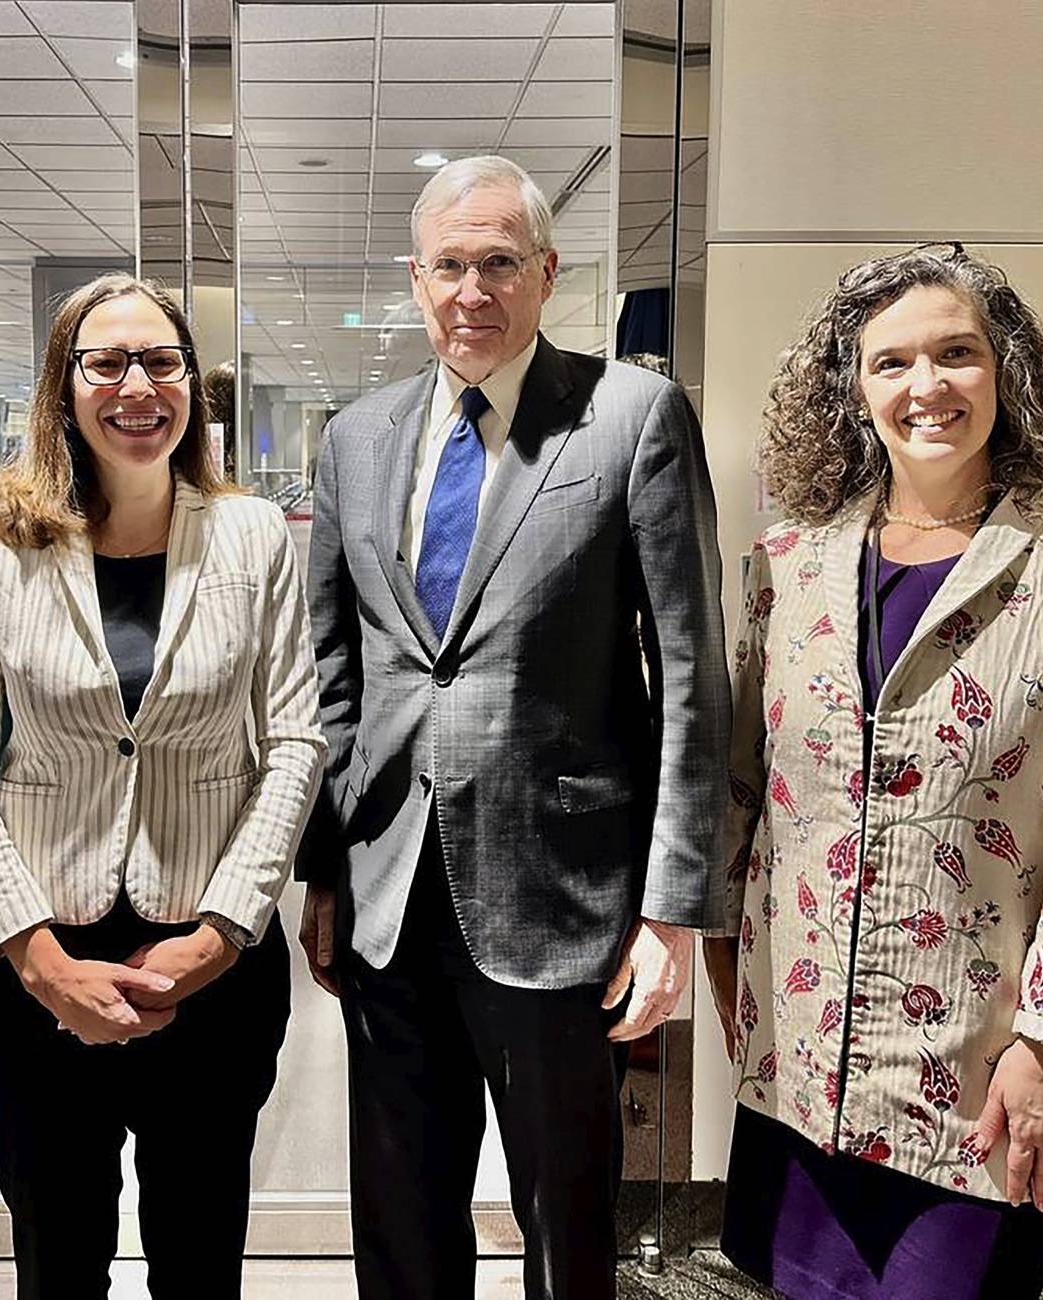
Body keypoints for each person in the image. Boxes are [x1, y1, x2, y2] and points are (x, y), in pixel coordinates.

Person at [703, 244, 1043, 1300]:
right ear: (850, 387)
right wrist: (723, 974)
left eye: (954, 355)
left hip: (979, 1073)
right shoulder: (789, 565)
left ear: (1004, 369)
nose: (923, 388)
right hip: (800, 1061)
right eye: (890, 364)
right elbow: (744, 797)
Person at [296, 154, 732, 1300]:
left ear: (545, 273)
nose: (471, 290)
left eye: (498, 263)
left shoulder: (630, 416)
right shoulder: (354, 438)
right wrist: (325, 873)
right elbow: (332, 675)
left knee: (562, 1221)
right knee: (395, 1216)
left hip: (561, 895)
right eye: (449, 265)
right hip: (388, 894)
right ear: (414, 279)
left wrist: (669, 909)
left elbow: (688, 676)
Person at [0, 274, 324, 1299]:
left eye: (161, 361)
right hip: (35, 965)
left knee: (198, 1262)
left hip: (211, 967)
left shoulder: (250, 537)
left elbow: (293, 745)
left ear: (191, 385)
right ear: (64, 389)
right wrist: (37, 957)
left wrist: (222, 930)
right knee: (59, 1266)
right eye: (106, 363)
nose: (137, 386)